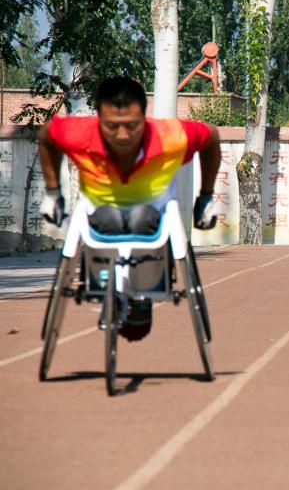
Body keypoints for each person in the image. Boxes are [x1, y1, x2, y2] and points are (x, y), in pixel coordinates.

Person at [37, 76, 222, 341]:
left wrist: (205, 197)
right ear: (98, 118)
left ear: (144, 118)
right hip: (102, 218)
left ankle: (141, 294)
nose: (122, 135)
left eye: (132, 126)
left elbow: (211, 137)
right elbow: (47, 135)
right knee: (108, 218)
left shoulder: (170, 136)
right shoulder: (80, 134)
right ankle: (107, 285)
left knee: (140, 216)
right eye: (112, 126)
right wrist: (53, 192)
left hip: (152, 221)